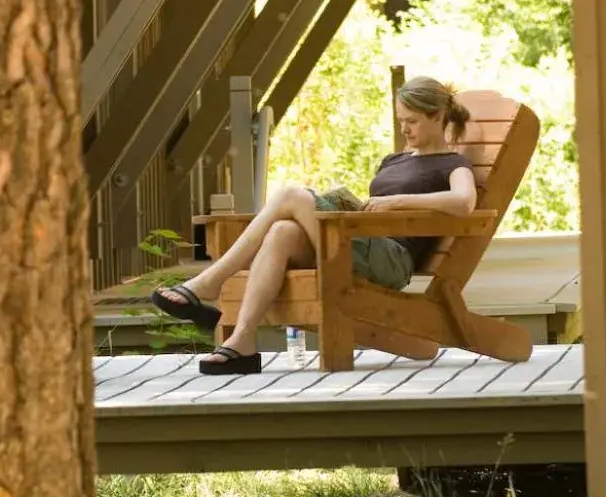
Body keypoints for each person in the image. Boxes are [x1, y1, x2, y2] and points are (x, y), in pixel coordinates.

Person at [150, 76, 478, 375]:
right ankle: (243, 342)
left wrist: (398, 202)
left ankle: (210, 281)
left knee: (291, 194)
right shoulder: (395, 160)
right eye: (401, 121)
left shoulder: (451, 164)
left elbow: (464, 202)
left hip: (391, 259)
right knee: (281, 232)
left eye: (412, 121)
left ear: (437, 117)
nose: (405, 129)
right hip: (362, 243)